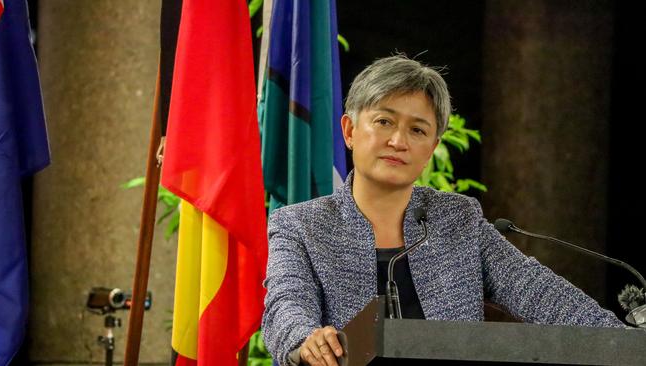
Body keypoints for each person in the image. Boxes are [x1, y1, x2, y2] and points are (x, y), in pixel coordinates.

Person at [261, 55, 624, 366]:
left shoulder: (457, 217)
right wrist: (307, 339)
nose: (398, 141)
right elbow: (285, 304)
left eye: (417, 130)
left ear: (431, 147)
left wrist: (621, 341)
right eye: (384, 121)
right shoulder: (298, 225)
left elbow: (535, 290)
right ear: (350, 130)